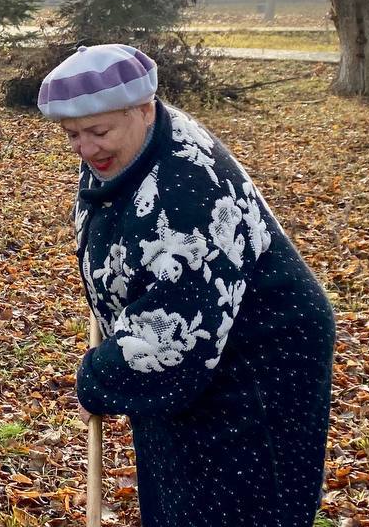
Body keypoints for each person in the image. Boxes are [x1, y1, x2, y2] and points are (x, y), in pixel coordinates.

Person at [38, 44, 335, 527]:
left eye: (97, 132)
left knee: (234, 503)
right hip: (202, 345)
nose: (86, 148)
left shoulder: (187, 193)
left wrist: (97, 377)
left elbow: (172, 342)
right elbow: (108, 220)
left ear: (144, 108)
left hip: (258, 358)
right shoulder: (128, 147)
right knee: (177, 485)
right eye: (72, 135)